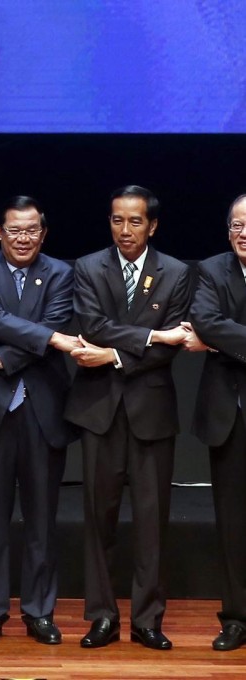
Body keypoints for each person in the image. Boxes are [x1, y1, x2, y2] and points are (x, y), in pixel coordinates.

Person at [65, 185, 194, 651]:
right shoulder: (87, 267)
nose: (125, 230)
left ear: (152, 225)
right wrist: (153, 335)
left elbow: (173, 346)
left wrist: (116, 357)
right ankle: (101, 616)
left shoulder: (177, 272)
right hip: (99, 411)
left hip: (152, 412)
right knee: (98, 519)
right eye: (117, 220)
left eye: (135, 221)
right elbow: (91, 325)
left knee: (150, 520)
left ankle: (147, 619)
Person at [0, 196, 78, 645]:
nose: (23, 238)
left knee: (42, 519)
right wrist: (50, 339)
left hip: (44, 409)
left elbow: (54, 324)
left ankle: (39, 611)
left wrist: (1, 358)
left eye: (31, 231)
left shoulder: (62, 274)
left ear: (43, 234)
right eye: (15, 231)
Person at [186, 196, 246, 651]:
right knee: (232, 522)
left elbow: (215, 333)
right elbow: (204, 320)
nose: (243, 233)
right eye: (237, 225)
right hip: (229, 413)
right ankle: (236, 617)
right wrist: (215, 335)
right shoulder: (211, 270)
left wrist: (223, 340)